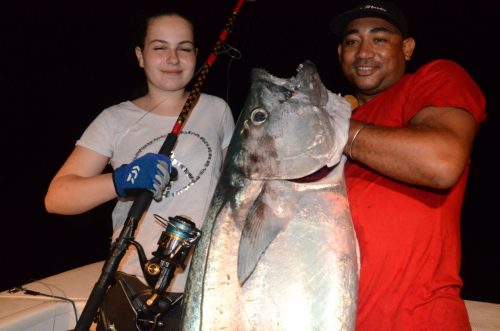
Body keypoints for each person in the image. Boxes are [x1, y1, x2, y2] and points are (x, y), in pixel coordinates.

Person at [44, 6, 235, 326]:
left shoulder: (217, 110)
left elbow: (233, 190)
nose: (173, 59)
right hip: (133, 283)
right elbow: (57, 198)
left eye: (184, 48)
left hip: (208, 285)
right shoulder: (115, 119)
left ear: (197, 55)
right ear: (140, 55)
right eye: (160, 48)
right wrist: (121, 180)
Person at [329, 1, 486, 330]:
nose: (363, 52)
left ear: (408, 48)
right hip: (328, 317)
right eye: (352, 41)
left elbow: (440, 162)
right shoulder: (336, 116)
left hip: (417, 319)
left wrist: (326, 127)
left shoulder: (433, 79)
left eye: (380, 38)